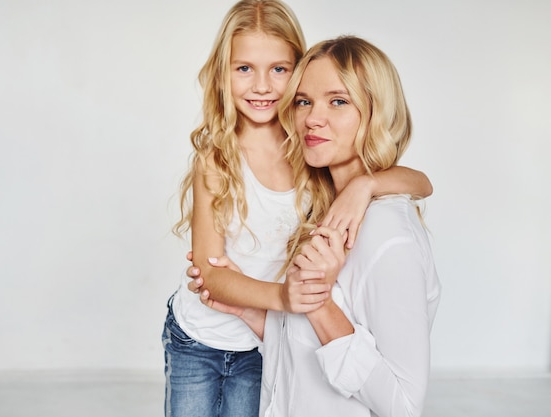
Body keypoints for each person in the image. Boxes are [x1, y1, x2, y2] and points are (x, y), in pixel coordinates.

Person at [163, 0, 433, 415]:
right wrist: (284, 299)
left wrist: (367, 184)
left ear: (296, 70)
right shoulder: (224, 159)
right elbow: (210, 274)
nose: (262, 86)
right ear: (223, 73)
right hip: (202, 336)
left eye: (279, 70)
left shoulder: (308, 155)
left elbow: (422, 183)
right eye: (244, 69)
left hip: (263, 340)